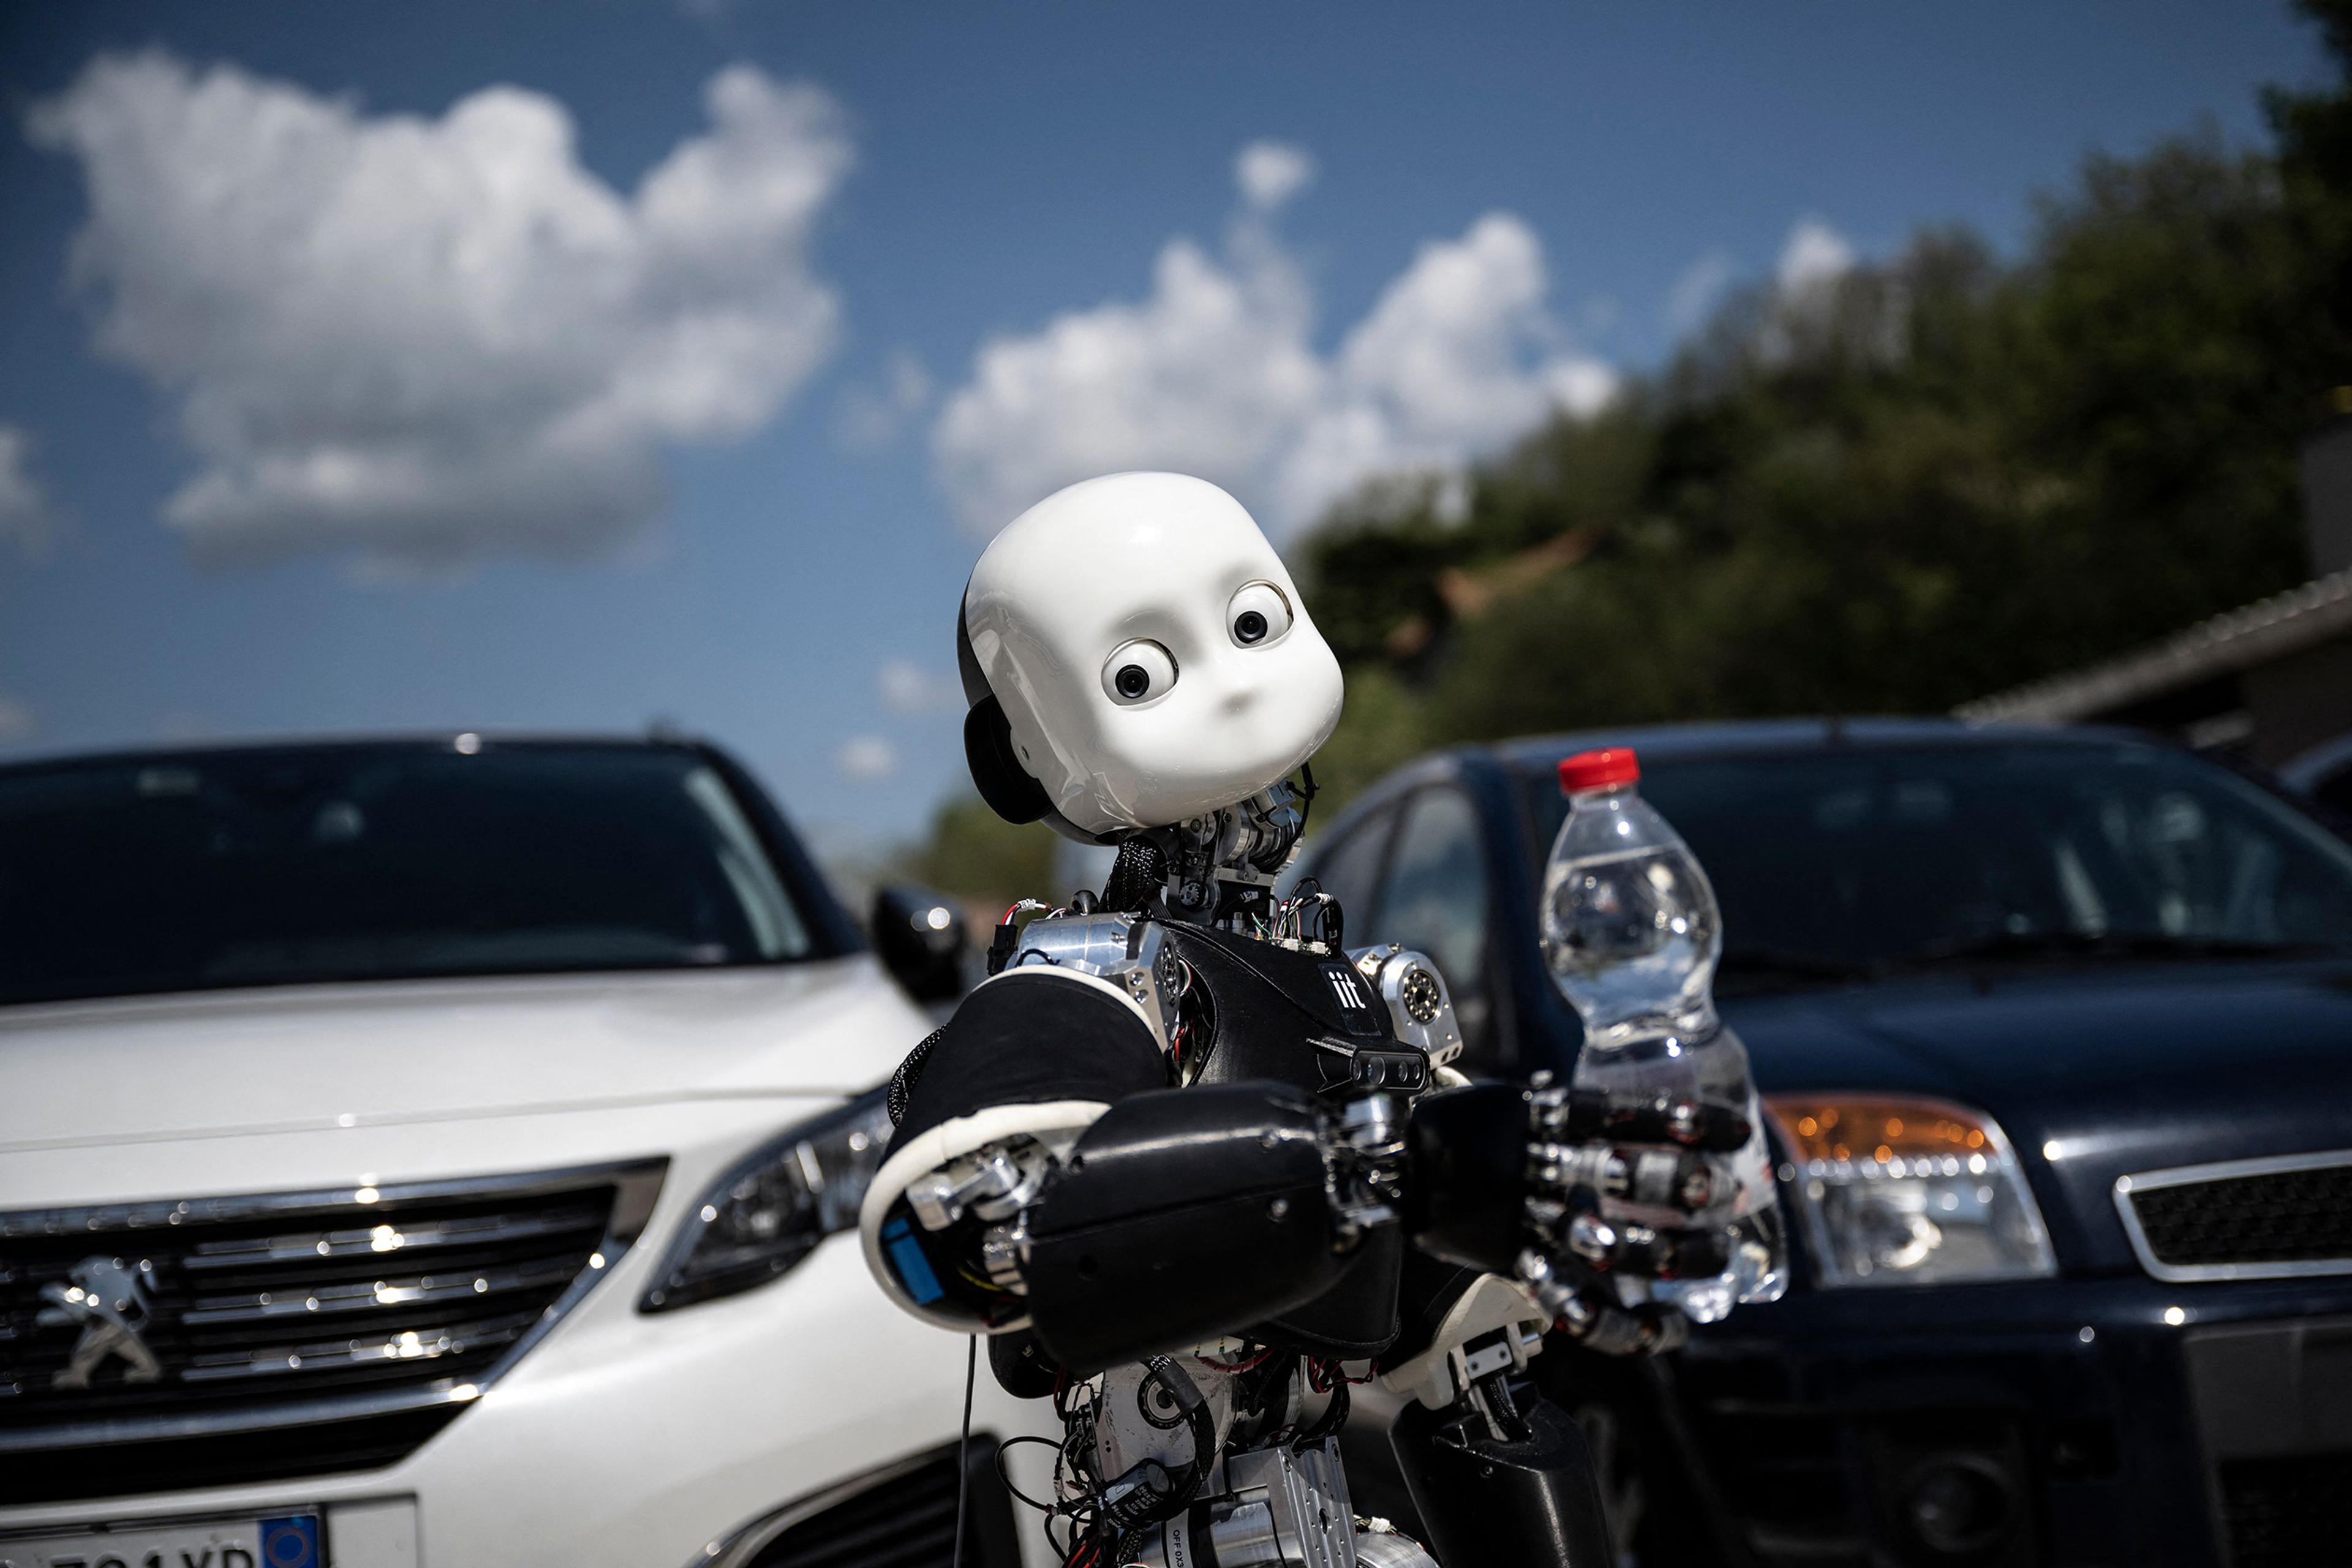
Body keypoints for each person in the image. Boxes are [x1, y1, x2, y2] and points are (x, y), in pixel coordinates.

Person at [859, 472, 1776, 1567]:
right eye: (1142, 673)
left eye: (1253, 624)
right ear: (1017, 758)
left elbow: (1463, 1346)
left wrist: (1579, 1199)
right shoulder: (1099, 974)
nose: (1235, 685)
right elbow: (962, 1226)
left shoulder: (1357, 984)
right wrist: (1395, 1168)